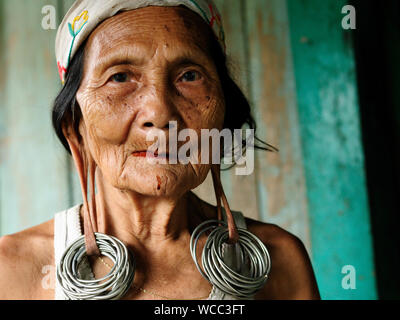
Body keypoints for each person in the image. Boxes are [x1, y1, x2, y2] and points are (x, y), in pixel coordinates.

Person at [0, 0, 320, 300]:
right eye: (120, 77)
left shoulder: (277, 259)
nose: (159, 112)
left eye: (189, 76)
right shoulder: (13, 269)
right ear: (74, 123)